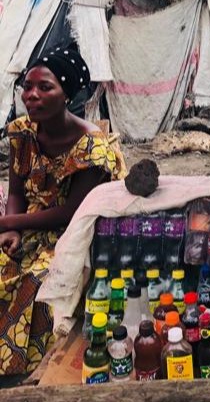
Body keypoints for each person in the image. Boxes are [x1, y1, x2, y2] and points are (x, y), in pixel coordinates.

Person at [0, 47, 125, 375]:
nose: (32, 96)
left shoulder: (91, 147)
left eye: (45, 87)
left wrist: (9, 222)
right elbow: (15, 191)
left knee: (40, 280)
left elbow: (71, 212)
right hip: (27, 223)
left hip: (73, 232)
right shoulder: (21, 133)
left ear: (66, 94)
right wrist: (11, 230)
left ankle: (24, 366)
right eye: (27, 86)